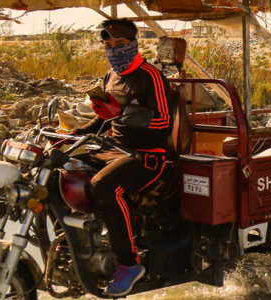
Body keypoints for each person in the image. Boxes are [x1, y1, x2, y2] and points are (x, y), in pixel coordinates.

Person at [70, 19, 177, 297]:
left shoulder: (150, 75)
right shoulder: (111, 75)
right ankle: (74, 242)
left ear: (133, 43)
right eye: (107, 45)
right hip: (113, 146)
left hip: (148, 156)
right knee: (65, 167)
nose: (113, 49)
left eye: (119, 44)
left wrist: (125, 115)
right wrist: (76, 132)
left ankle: (130, 264)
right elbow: (105, 118)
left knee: (104, 186)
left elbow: (163, 121)